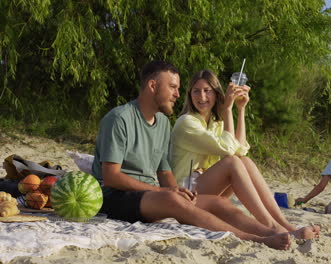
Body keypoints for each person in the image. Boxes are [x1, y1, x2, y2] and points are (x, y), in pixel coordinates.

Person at [91, 61, 292, 250]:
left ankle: (271, 230)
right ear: (153, 86)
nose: (178, 94)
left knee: (218, 202)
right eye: (172, 87)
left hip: (148, 194)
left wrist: (176, 190)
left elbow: (164, 170)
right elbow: (111, 177)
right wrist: (164, 192)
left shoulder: (161, 123)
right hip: (114, 197)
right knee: (174, 200)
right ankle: (255, 239)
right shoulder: (119, 119)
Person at [170, 69, 320, 239]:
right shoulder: (186, 123)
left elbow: (239, 150)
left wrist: (240, 109)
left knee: (245, 161)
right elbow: (228, 150)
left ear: (216, 93)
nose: (202, 97)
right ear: (189, 95)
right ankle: (272, 227)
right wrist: (227, 109)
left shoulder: (215, 123)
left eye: (207, 91)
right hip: (186, 193)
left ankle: (284, 225)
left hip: (205, 189)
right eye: (196, 91)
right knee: (232, 163)